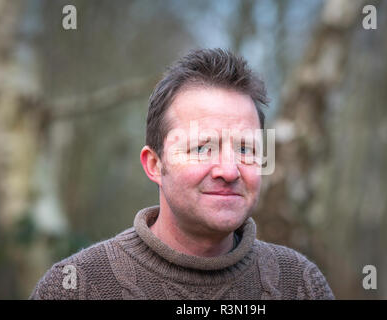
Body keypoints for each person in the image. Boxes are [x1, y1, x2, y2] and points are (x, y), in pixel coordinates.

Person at [29, 48, 334, 300]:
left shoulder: (300, 286)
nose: (228, 170)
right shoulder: (75, 288)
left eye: (245, 149)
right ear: (154, 165)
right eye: (202, 148)